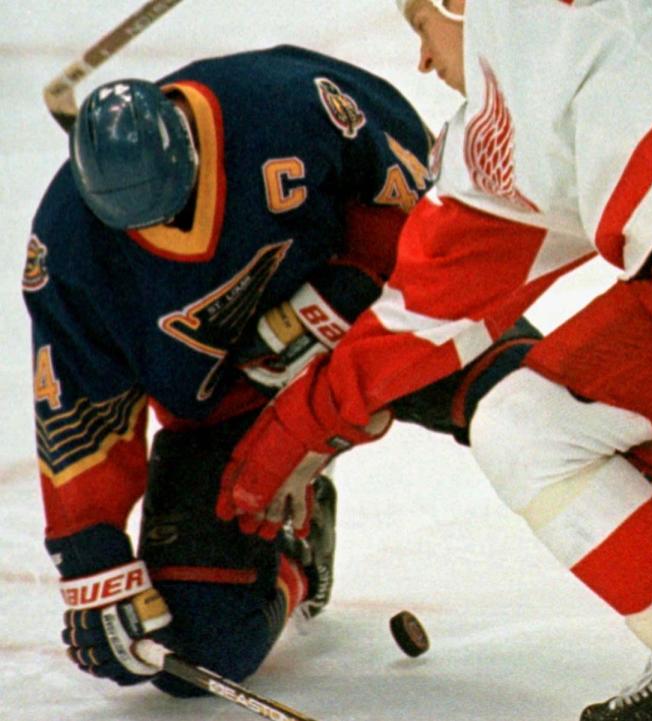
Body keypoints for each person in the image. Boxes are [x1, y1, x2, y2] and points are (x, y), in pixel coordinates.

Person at [214, 3, 652, 721]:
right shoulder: (496, 145)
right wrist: (287, 441)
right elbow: (413, 323)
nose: (420, 58)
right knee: (526, 422)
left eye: (420, 23)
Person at [24, 44, 546, 697]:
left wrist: (343, 294)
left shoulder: (284, 104)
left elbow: (418, 197)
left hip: (383, 330)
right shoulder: (69, 250)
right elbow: (79, 407)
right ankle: (301, 550)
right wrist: (91, 556)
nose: (167, 227)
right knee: (195, 646)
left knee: (545, 402)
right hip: (236, 407)